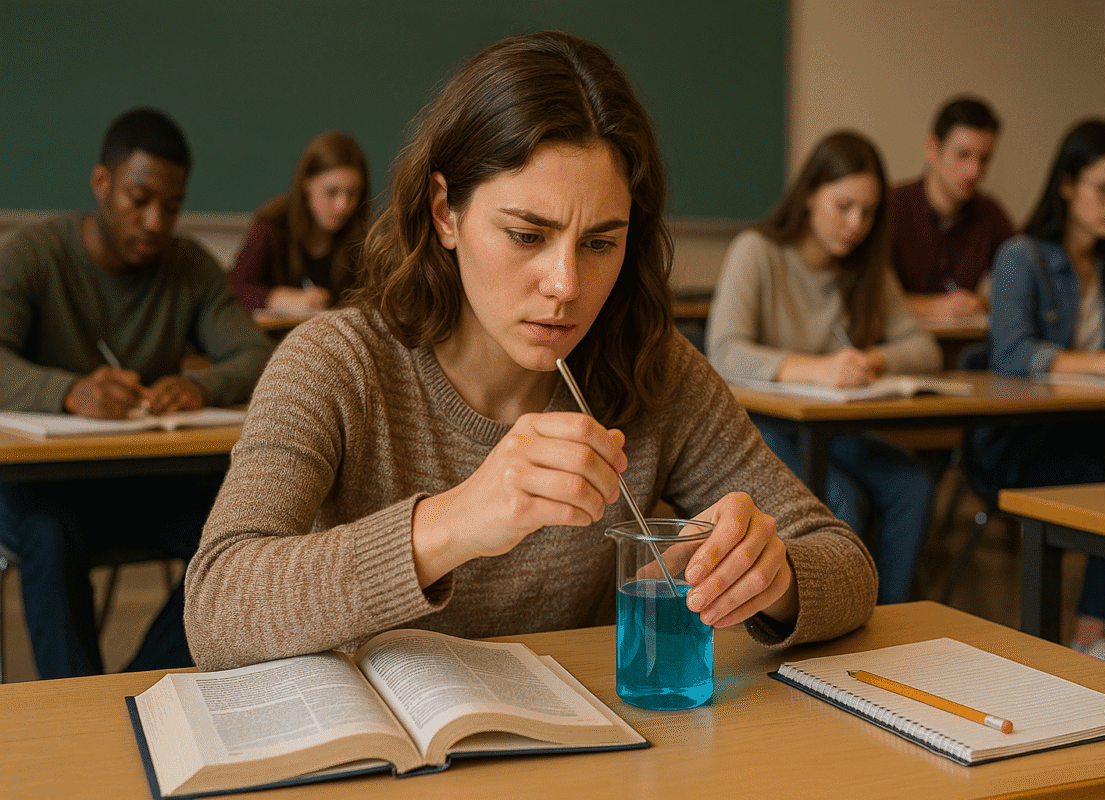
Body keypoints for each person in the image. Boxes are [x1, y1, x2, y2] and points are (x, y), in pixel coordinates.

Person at [183, 31, 878, 672]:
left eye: (601, 243)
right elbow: (215, 606)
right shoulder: (336, 363)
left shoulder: (651, 368)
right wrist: (453, 521)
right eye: (525, 235)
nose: (566, 285)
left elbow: (846, 562)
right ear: (444, 213)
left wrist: (776, 577)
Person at [0, 108, 273, 678]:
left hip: (142, 481)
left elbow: (257, 355)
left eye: (171, 207)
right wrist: (69, 391)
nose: (154, 222)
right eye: (138, 198)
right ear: (102, 184)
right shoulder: (35, 254)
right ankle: (75, 703)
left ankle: (137, 688)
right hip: (38, 488)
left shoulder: (189, 267)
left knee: (234, 536)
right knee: (50, 536)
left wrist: (198, 386)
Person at [972, 118, 1105, 658]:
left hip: (1085, 435)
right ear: (1067, 185)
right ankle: (1094, 639)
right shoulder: (1023, 256)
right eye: (1104, 189)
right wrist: (1103, 362)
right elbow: (1010, 354)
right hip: (1018, 445)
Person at [706, 130, 941, 605]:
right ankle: (836, 627)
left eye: (869, 212)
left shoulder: (865, 268)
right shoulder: (758, 251)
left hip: (831, 428)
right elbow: (724, 352)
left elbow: (925, 349)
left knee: (912, 484)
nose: (855, 223)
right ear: (810, 194)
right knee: (839, 499)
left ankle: (891, 622)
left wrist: (874, 358)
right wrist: (816, 369)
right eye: (843, 205)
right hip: (762, 426)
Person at [890, 96, 1014, 320]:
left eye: (984, 159)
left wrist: (983, 304)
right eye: (963, 155)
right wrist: (930, 307)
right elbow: (868, 298)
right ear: (932, 148)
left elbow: (1021, 289)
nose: (974, 171)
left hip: (966, 346)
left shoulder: (991, 216)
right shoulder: (893, 207)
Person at [228, 131, 370, 312]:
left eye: (352, 193)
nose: (343, 205)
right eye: (331, 192)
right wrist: (279, 299)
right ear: (306, 183)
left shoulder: (361, 234)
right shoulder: (273, 224)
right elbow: (233, 289)